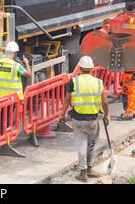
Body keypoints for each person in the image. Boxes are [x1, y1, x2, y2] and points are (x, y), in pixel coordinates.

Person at [59, 55, 110, 183]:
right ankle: (89, 169)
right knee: (92, 145)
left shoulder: (73, 82)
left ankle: (83, 172)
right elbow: (105, 101)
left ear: (80, 68)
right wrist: (107, 115)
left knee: (81, 145)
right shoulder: (98, 82)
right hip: (93, 119)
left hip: (78, 119)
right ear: (91, 69)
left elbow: (67, 100)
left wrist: (62, 115)